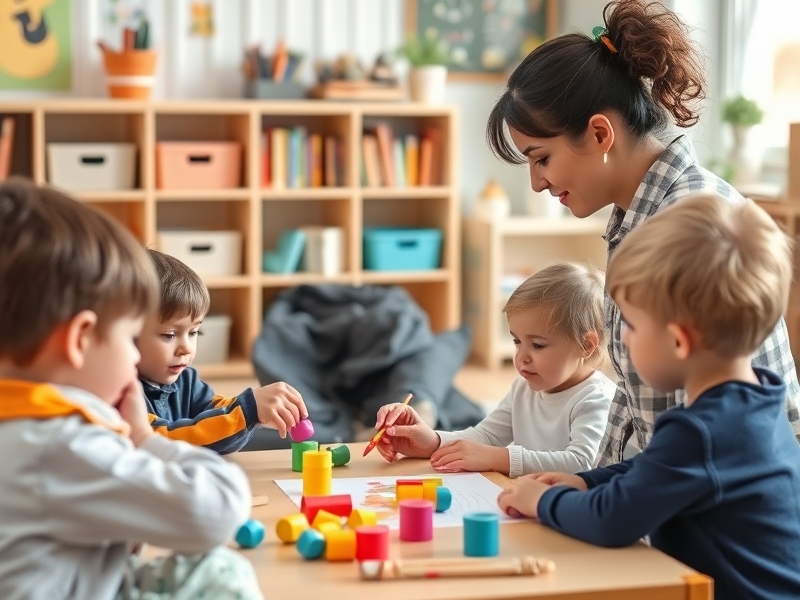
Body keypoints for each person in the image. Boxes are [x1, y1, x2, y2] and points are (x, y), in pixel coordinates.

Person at [486, 0, 800, 465]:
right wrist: (588, 482)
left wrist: (595, 496)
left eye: (542, 159)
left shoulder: (691, 226)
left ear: (600, 134)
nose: (536, 183)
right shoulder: (639, 213)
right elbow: (636, 404)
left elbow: (698, 444)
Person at [497, 194, 800, 599]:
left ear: (678, 341)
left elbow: (611, 520)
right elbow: (655, 471)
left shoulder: (700, 432)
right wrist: (586, 481)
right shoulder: (755, 399)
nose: (622, 338)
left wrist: (544, 500)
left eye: (633, 325)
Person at [0, 178, 262, 599]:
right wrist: (143, 438)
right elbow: (219, 510)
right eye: (128, 337)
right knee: (223, 575)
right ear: (79, 340)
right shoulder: (61, 445)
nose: (133, 357)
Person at [373, 263, 615, 477]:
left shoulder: (597, 399)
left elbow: (581, 463)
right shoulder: (523, 387)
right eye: (517, 341)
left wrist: (499, 458)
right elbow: (486, 436)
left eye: (537, 345)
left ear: (586, 345)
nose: (521, 357)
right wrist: (431, 441)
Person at [137, 249, 308, 454]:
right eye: (169, 335)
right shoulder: (123, 392)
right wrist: (247, 410)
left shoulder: (186, 379)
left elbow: (214, 412)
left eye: (194, 332)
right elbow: (161, 440)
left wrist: (254, 410)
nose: (186, 348)